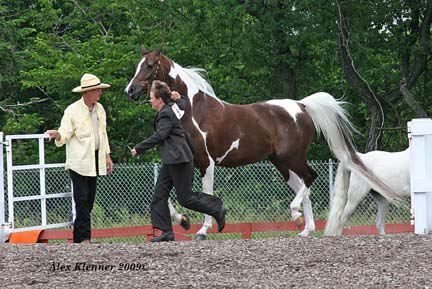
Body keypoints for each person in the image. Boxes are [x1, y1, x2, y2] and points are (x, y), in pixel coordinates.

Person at [131, 80, 227, 242]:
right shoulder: (173, 108)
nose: (150, 100)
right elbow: (183, 105)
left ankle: (217, 209)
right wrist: (179, 97)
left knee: (186, 198)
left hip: (180, 160)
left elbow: (160, 135)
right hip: (172, 160)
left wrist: (138, 148)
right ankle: (166, 232)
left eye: (152, 97)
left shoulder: (165, 114)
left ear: (160, 99)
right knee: (159, 196)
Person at [46, 73, 113, 244]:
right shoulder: (72, 110)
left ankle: (79, 238)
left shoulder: (100, 109)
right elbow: (66, 132)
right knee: (82, 198)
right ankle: (84, 238)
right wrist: (57, 134)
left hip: (94, 160)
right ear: (88, 92)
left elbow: (103, 134)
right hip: (78, 162)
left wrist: (107, 156)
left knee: (89, 200)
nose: (100, 93)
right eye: (97, 90)